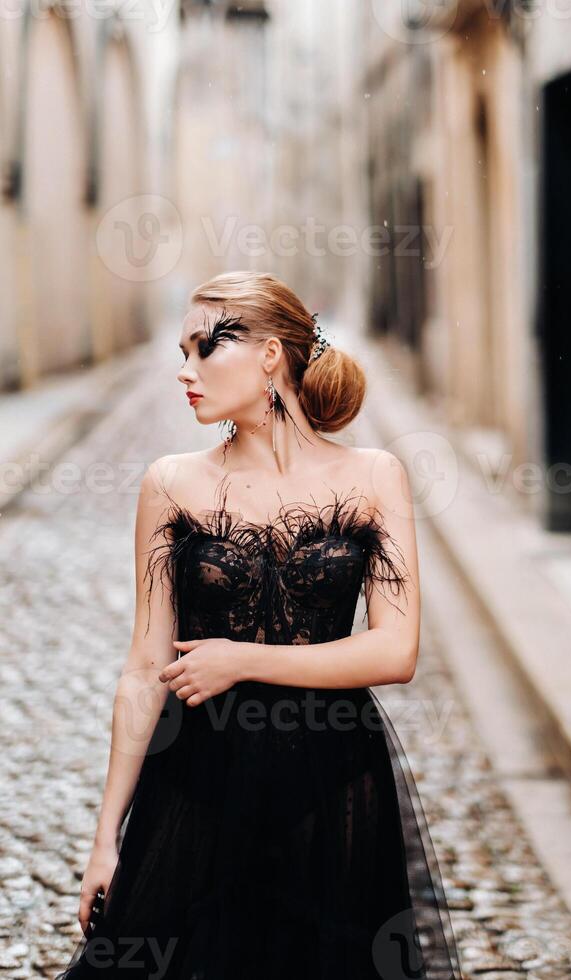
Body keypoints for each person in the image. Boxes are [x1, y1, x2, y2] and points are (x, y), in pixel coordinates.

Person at [55, 270, 463, 979]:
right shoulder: (170, 482)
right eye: (182, 351)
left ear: (270, 354)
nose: (185, 371)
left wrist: (241, 659)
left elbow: (396, 651)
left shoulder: (374, 477)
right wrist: (105, 839)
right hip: (195, 779)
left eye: (204, 348)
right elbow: (145, 666)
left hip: (333, 782)